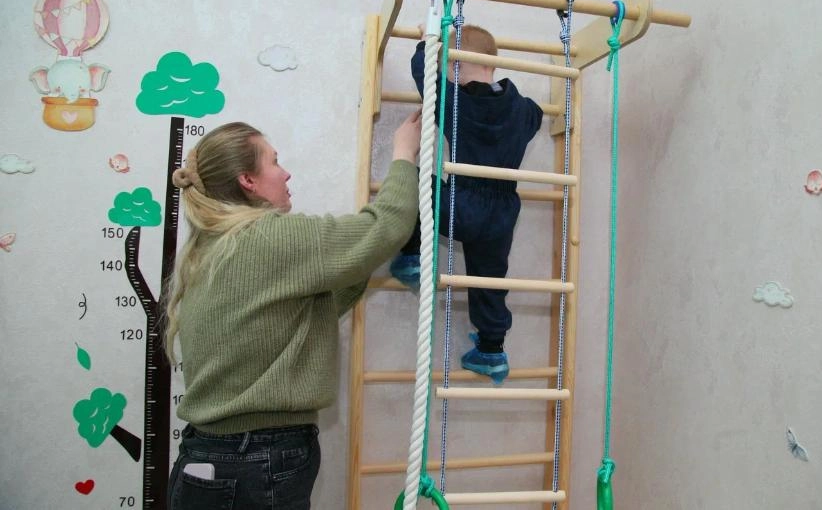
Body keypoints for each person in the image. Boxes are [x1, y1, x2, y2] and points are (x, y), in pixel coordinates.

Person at [163, 113, 420, 510]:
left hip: (211, 458)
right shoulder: (269, 237)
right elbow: (385, 226)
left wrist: (360, 258)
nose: (285, 174)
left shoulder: (215, 247)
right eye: (274, 162)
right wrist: (404, 153)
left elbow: (294, 318)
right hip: (255, 461)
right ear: (247, 181)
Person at [390, 25, 543, 384]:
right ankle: (491, 351)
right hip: (503, 214)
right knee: (489, 281)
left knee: (414, 179)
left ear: (455, 66)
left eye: (448, 68)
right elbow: (536, 115)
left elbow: (423, 74)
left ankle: (412, 258)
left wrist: (426, 43)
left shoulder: (456, 102)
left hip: (464, 203)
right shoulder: (524, 110)